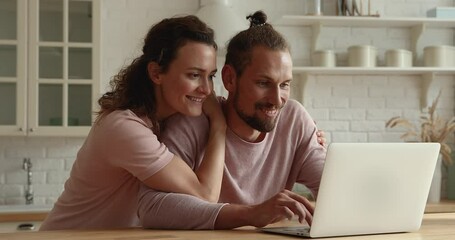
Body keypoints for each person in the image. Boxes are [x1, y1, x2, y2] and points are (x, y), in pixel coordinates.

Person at [137, 10, 326, 230]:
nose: (277, 100)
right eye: (263, 83)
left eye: (284, 84)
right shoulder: (192, 123)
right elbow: (150, 208)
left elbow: (335, 188)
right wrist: (250, 214)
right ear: (229, 79)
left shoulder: (294, 119)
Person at [40, 16, 227, 230]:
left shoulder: (169, 121)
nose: (206, 89)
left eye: (210, 76)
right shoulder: (124, 128)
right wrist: (220, 126)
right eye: (194, 75)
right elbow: (205, 195)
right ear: (156, 73)